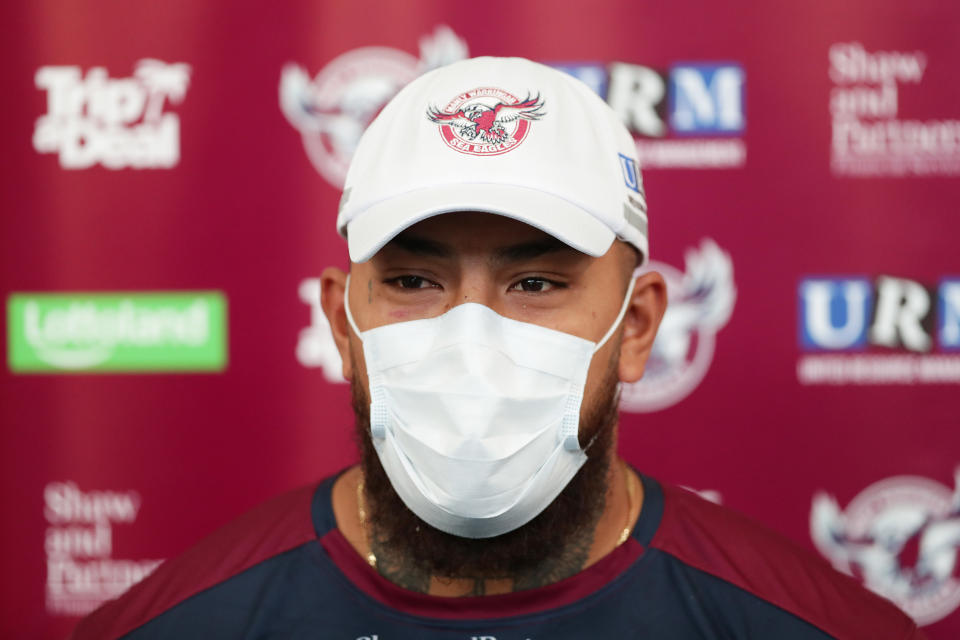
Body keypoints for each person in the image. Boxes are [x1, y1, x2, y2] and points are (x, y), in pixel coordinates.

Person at [72, 56, 926, 640]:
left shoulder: (799, 625)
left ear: (635, 327)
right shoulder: (183, 623)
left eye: (536, 284)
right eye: (413, 281)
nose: (469, 341)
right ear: (342, 323)